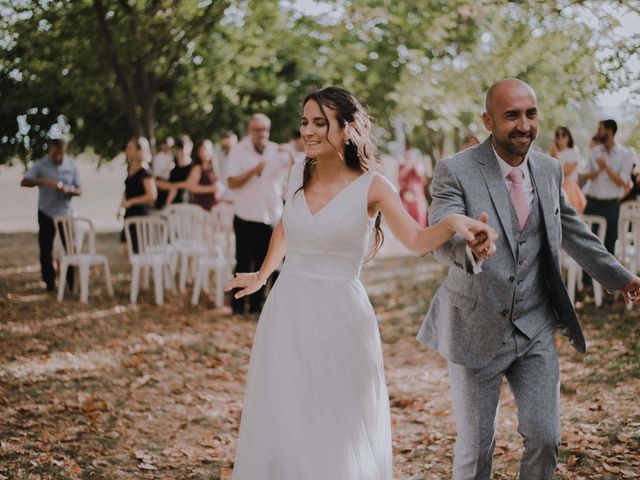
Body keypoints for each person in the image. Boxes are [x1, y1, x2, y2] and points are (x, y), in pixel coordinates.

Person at [224, 86, 497, 480]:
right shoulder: (298, 171)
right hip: (287, 309)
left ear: (348, 129)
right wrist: (263, 274)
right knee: (286, 413)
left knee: (337, 419)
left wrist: (454, 223)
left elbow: (417, 241)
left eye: (320, 122)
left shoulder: (374, 187)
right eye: (305, 122)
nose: (309, 131)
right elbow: (287, 224)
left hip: (340, 316)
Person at [418, 78, 640, 480]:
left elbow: (572, 231)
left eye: (531, 114)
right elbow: (441, 232)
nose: (524, 125)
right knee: (475, 447)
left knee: (545, 437)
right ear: (488, 120)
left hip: (534, 325)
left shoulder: (549, 168)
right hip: (475, 326)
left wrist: (622, 278)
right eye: (512, 116)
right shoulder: (456, 170)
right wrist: (470, 245)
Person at [226, 113, 294, 315]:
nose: (261, 134)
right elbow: (231, 182)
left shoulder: (276, 150)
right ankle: (238, 307)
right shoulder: (238, 151)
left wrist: (290, 150)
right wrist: (255, 169)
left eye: (265, 130)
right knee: (244, 262)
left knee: (266, 263)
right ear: (249, 131)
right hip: (245, 216)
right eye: (257, 130)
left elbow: (296, 169)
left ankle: (257, 306)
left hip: (271, 216)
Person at [21, 138, 82, 292]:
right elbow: (24, 181)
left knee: (70, 248)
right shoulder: (40, 164)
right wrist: (43, 182)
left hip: (65, 212)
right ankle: (50, 284)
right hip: (46, 212)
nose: (59, 157)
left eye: (61, 154)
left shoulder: (71, 165)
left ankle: (71, 284)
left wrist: (67, 190)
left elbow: (79, 190)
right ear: (50, 150)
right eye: (56, 154)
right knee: (46, 248)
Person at [582, 119, 635, 254]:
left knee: (609, 246)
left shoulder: (626, 154)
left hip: (611, 206)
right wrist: (598, 171)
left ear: (609, 131)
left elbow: (622, 182)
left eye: (600, 129)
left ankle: (605, 276)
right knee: (587, 245)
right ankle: (585, 276)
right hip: (592, 203)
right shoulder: (594, 152)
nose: (597, 132)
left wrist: (606, 167)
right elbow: (585, 176)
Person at [118, 137, 156, 255]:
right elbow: (127, 189)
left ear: (138, 151)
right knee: (126, 249)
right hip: (129, 214)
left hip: (140, 214)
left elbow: (152, 195)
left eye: (130, 148)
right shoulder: (130, 168)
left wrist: (132, 202)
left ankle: (141, 274)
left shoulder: (145, 172)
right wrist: (121, 207)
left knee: (140, 251)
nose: (127, 151)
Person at [552, 126, 586, 213]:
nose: (560, 138)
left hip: (569, 188)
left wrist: (554, 156)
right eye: (557, 135)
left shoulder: (573, 152)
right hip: (555, 188)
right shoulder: (554, 152)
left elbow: (564, 172)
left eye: (563, 135)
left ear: (568, 137)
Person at [155, 135, 193, 208]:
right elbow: (158, 180)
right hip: (164, 203)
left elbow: (189, 184)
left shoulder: (192, 167)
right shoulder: (171, 163)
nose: (182, 151)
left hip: (183, 204)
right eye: (180, 148)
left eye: (183, 148)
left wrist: (170, 186)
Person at [187, 139, 224, 211]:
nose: (204, 153)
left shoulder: (214, 167)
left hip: (214, 207)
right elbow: (192, 188)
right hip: (201, 208)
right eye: (201, 150)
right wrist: (211, 188)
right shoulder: (197, 168)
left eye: (206, 150)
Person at [398, 140, 428, 227]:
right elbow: (399, 177)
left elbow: (423, 179)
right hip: (406, 199)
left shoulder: (419, 166)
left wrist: (416, 165)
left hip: (418, 199)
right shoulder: (402, 166)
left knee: (419, 222)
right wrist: (409, 165)